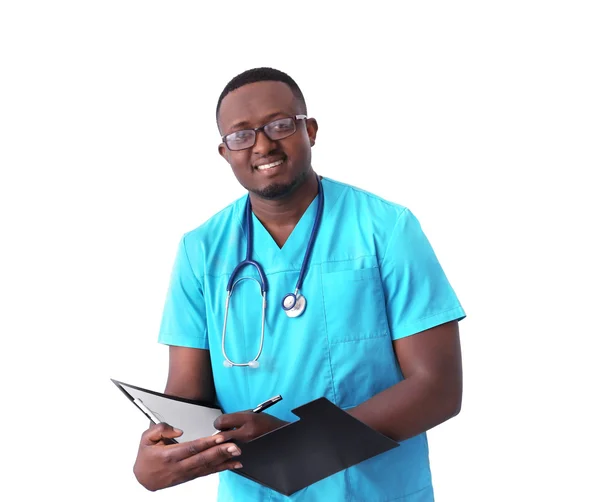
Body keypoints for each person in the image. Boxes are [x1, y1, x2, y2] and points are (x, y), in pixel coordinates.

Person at [132, 67, 466, 502]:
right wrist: (162, 455)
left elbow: (438, 388)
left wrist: (300, 443)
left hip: (374, 492)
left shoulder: (386, 229)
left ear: (309, 130)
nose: (263, 144)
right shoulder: (201, 250)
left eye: (280, 125)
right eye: (242, 135)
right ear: (224, 152)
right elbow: (189, 397)